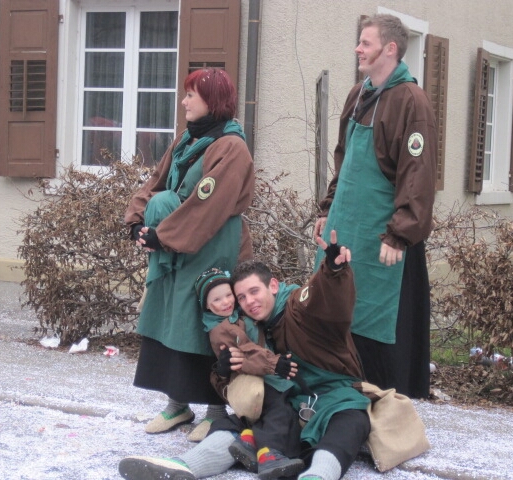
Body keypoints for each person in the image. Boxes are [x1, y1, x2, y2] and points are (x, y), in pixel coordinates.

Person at [118, 230, 371, 480]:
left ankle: (318, 476)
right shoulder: (247, 327)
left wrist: (334, 271)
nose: (249, 301)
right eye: (241, 297)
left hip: (335, 397)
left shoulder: (297, 306)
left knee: (352, 422)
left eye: (254, 291)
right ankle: (183, 467)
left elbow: (325, 298)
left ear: (273, 285)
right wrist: (224, 370)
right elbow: (242, 384)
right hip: (287, 403)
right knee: (236, 424)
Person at [124, 67, 255, 442]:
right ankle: (177, 405)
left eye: (191, 95)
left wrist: (162, 236)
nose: (184, 102)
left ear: (212, 101)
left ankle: (215, 412)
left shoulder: (231, 147)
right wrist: (138, 223)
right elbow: (157, 181)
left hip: (211, 244)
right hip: (176, 246)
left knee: (208, 323)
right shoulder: (187, 139)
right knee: (170, 319)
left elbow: (208, 204)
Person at [314, 14, 437, 399]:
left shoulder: (411, 101)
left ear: (390, 49)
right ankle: (338, 403)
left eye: (365, 43)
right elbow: (345, 159)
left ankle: (382, 411)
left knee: (378, 327)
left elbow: (418, 173)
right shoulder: (358, 95)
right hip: (346, 228)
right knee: (336, 313)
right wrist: (327, 210)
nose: (358, 49)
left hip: (385, 240)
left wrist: (400, 233)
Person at [195, 267, 304, 479]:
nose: (226, 302)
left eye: (229, 295)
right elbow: (245, 353)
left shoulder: (236, 316)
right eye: (217, 300)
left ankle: (248, 440)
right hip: (255, 379)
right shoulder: (222, 328)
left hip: (261, 375)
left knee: (276, 410)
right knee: (279, 411)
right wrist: (274, 363)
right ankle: (269, 454)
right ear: (206, 306)